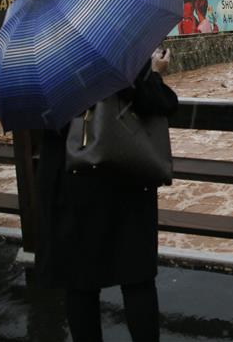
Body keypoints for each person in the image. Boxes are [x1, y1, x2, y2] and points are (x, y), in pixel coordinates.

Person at [36, 48, 177, 342]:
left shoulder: (41, 57)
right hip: (122, 177)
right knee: (135, 276)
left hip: (68, 176)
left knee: (79, 281)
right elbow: (155, 101)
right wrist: (156, 73)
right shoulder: (112, 47)